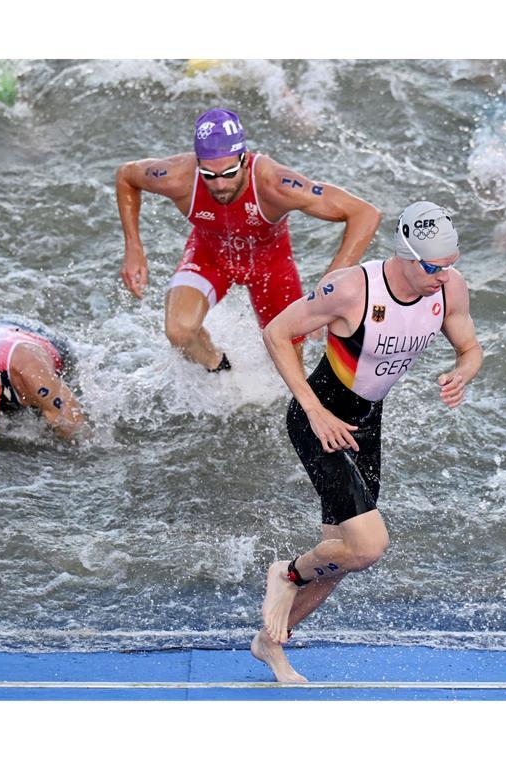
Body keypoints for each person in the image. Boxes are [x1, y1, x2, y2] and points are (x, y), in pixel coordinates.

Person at [252, 202, 483, 682]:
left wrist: (462, 373)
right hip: (320, 420)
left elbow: (470, 348)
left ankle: (271, 643)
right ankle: (286, 573)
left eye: (451, 263)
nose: (444, 275)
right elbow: (277, 333)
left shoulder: (449, 287)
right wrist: (315, 412)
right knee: (369, 545)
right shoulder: (352, 288)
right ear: (405, 254)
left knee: (340, 556)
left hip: (366, 423)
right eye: (433, 266)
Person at [115, 107, 381, 371]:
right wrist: (134, 247)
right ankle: (219, 367)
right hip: (209, 255)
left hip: (271, 267)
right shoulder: (176, 176)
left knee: (287, 364)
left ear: (244, 159)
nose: (220, 185)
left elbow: (365, 214)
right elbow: (126, 176)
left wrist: (329, 285)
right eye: (209, 175)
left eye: (229, 173)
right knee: (179, 332)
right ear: (197, 164)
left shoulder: (275, 184)